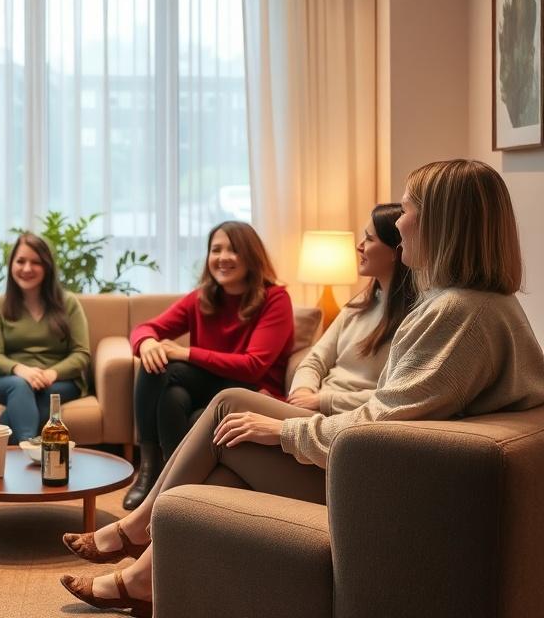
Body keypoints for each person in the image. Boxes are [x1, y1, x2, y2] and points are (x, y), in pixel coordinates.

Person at [60, 159, 544, 617]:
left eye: (407, 209)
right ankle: (142, 572)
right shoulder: (478, 306)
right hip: (387, 469)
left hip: (380, 488)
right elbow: (386, 414)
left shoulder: (455, 313)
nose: (398, 225)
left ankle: (136, 535)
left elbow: (379, 424)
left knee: (228, 414)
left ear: (442, 222)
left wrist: (283, 431)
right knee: (225, 430)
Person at [122, 220, 294, 509]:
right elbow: (145, 328)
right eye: (216, 250)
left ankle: (161, 481)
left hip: (251, 391)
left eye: (233, 249)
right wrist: (147, 343)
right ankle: (158, 477)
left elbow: (253, 366)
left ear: (251, 255)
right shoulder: (201, 298)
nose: (223, 257)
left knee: (170, 368)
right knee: (168, 388)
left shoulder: (275, 299)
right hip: (208, 387)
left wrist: (187, 353)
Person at [286, 203, 417, 414]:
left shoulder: (414, 319)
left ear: (396, 251)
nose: (359, 246)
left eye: (370, 239)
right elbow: (314, 359)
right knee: (234, 402)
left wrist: (323, 401)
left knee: (232, 400)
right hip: (312, 406)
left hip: (343, 416)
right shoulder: (358, 305)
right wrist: (303, 391)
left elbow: (396, 394)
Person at [0, 233, 90, 443]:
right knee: (21, 387)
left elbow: (81, 354)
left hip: (57, 382)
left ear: (47, 266)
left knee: (41, 396)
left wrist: (51, 373)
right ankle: (27, 448)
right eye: (20, 261)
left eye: (36, 262)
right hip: (8, 380)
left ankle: (16, 451)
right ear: (11, 265)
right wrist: (21, 371)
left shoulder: (68, 303)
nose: (27, 268)